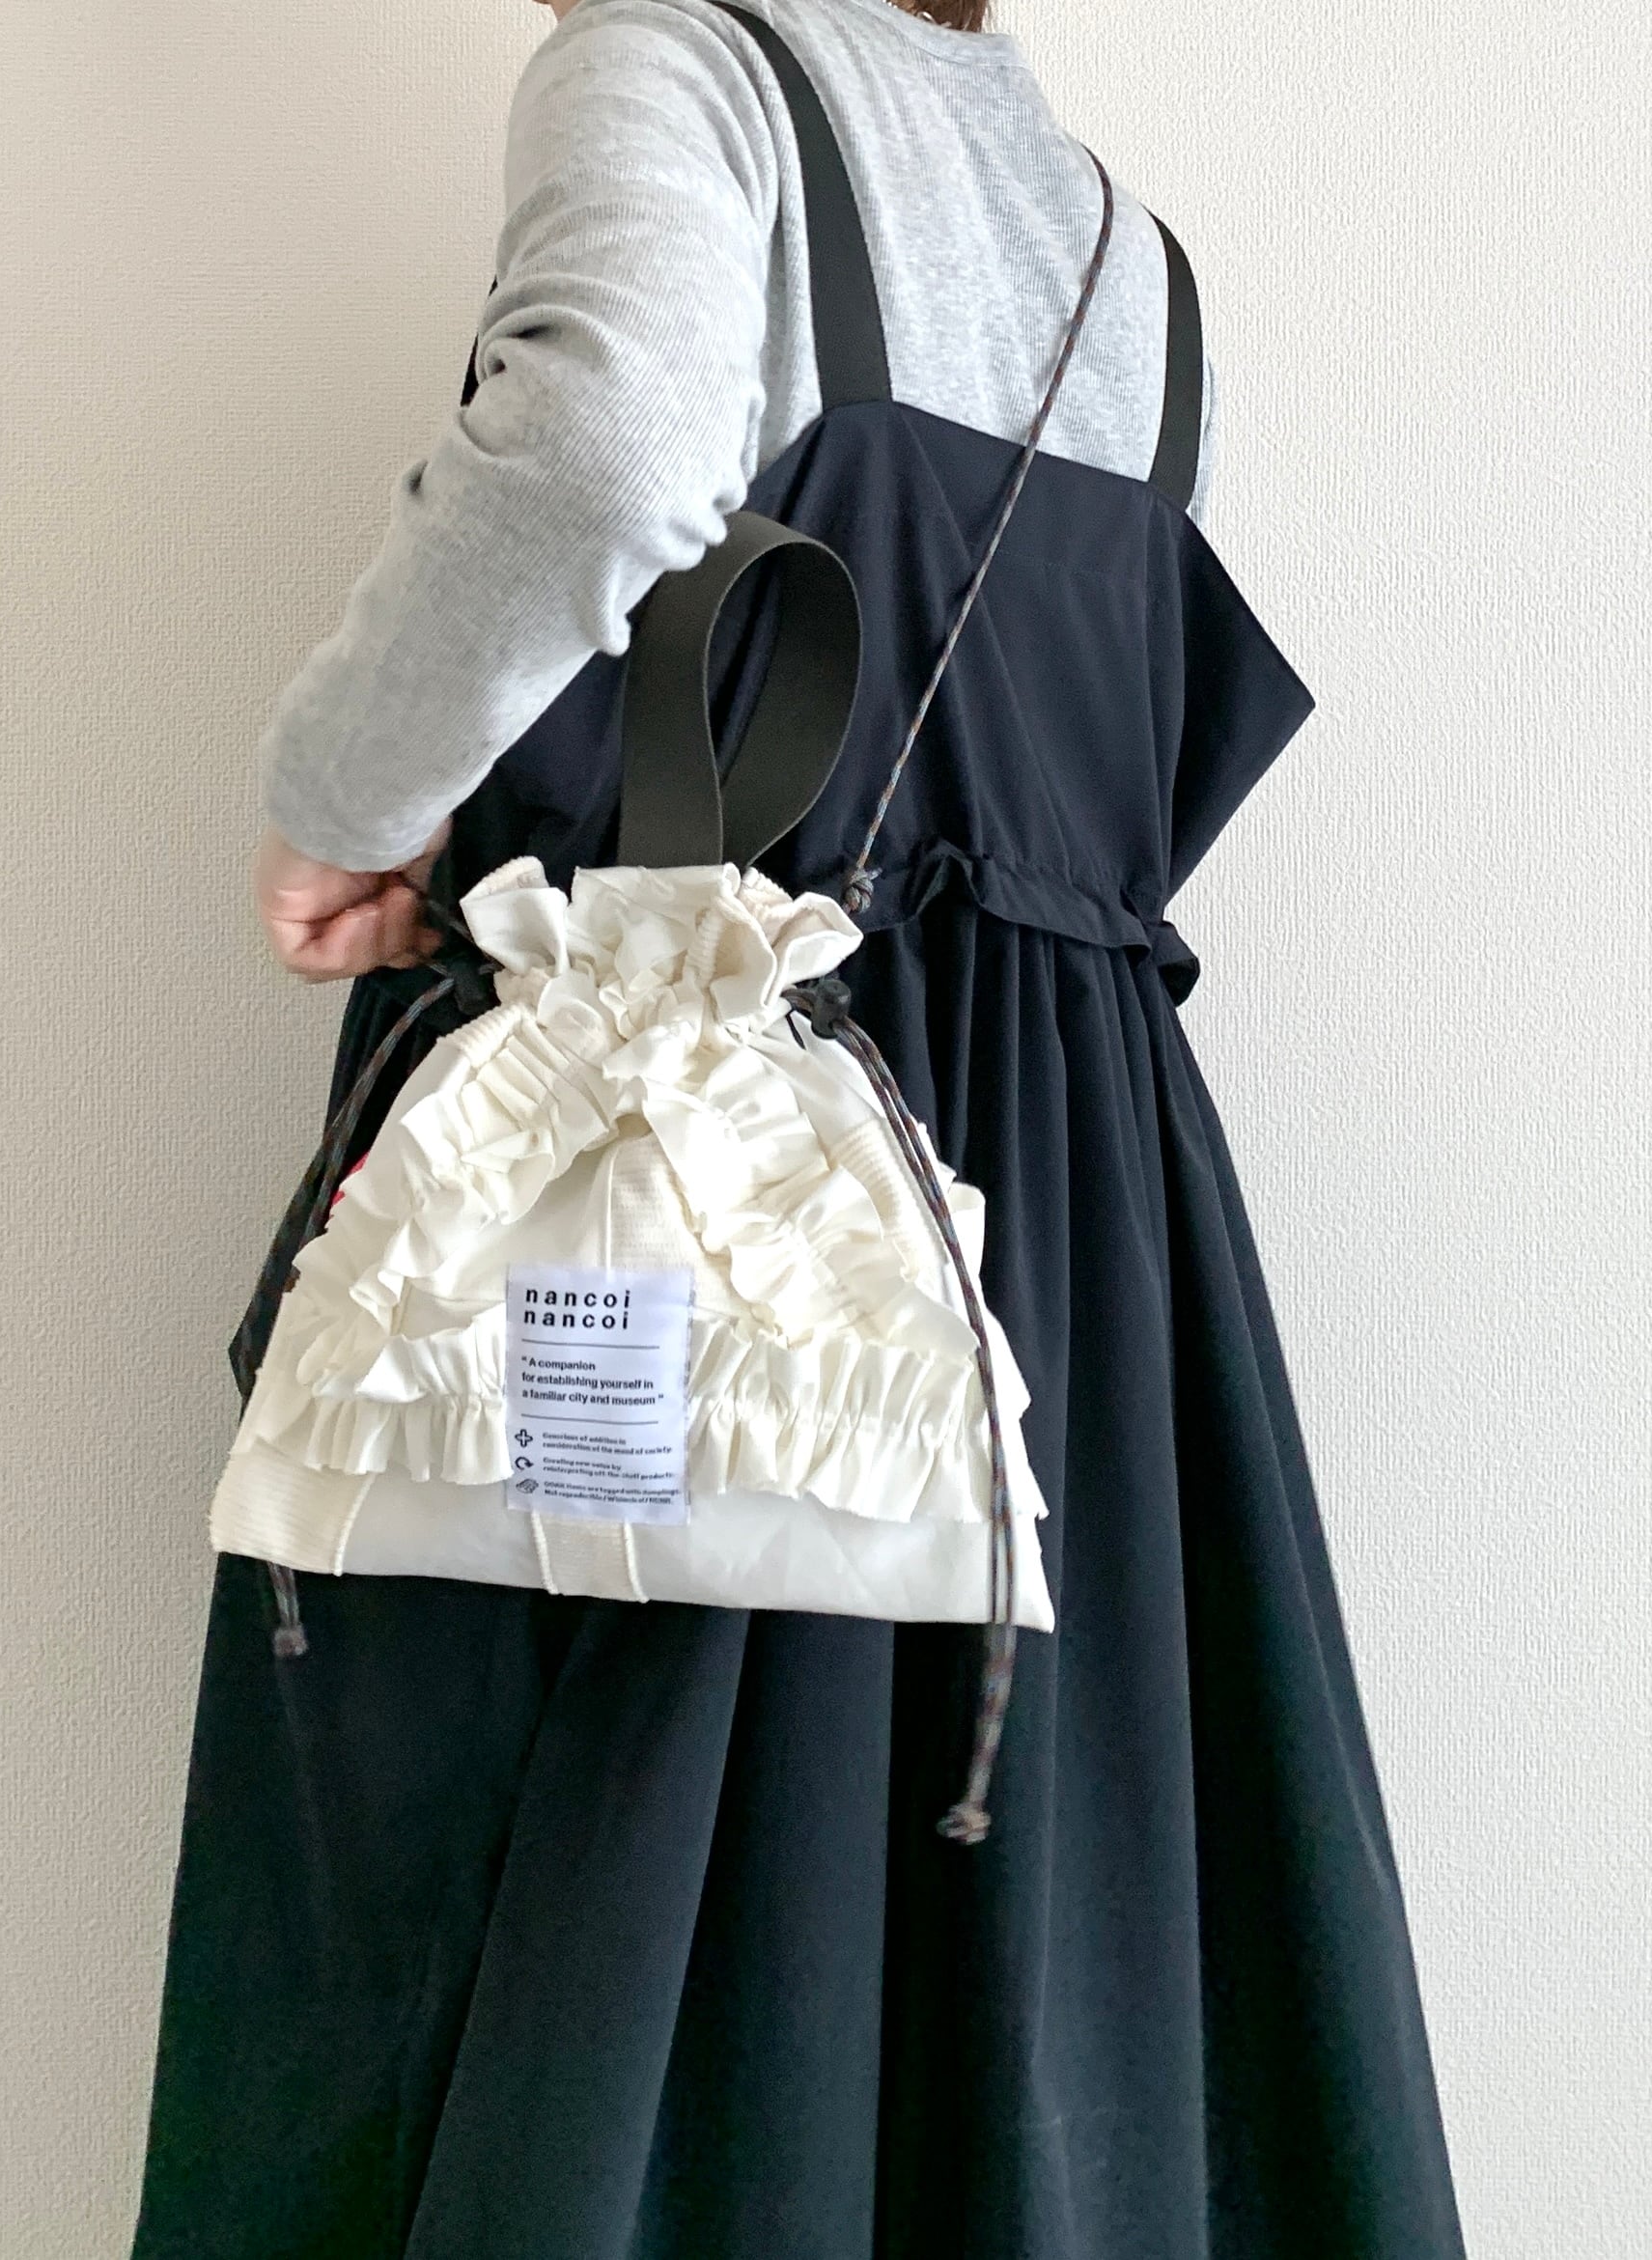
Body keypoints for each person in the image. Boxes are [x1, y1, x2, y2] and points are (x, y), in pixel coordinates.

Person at [132, 2, 1469, 2254]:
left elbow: (598, 451)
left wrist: (342, 799)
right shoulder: (1119, 256)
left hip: (708, 1177)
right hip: (1056, 1236)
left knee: (576, 1943)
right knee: (1008, 1956)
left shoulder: (673, 68)